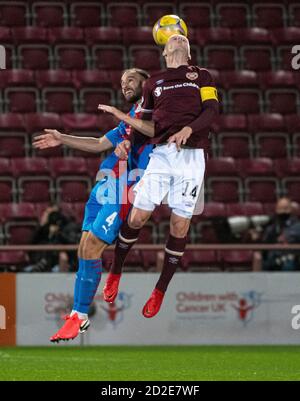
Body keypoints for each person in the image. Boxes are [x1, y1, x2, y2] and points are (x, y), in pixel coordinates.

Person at [99, 34, 219, 318]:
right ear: (165, 51)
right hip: (163, 154)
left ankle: (160, 290)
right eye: (172, 38)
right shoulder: (154, 82)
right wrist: (123, 126)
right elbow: (148, 125)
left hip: (192, 157)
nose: (177, 38)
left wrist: (189, 129)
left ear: (187, 51)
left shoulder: (201, 75)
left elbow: (212, 110)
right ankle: (116, 270)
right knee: (138, 217)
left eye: (182, 37)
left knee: (179, 227)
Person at [33, 68, 154, 342]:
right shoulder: (130, 118)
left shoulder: (153, 114)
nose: (125, 85)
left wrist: (131, 144)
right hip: (106, 184)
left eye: (131, 80)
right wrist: (63, 138)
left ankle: (80, 313)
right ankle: (78, 315)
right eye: (122, 82)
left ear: (147, 85)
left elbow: (157, 134)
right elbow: (99, 143)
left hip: (126, 186)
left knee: (92, 246)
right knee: (84, 245)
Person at [252, 197, 300, 271]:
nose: (283, 213)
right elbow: (264, 245)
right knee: (261, 262)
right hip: (273, 258)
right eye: (280, 210)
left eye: (285, 209)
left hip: (290, 259)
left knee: (288, 265)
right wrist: (257, 239)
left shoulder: (297, 226)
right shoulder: (271, 227)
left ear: (291, 211)